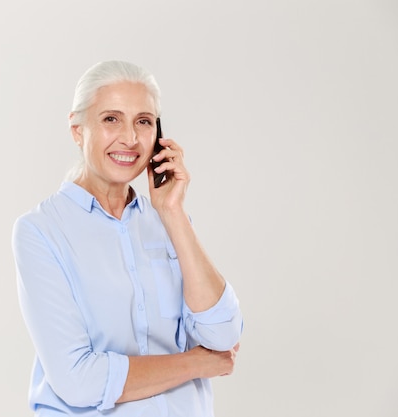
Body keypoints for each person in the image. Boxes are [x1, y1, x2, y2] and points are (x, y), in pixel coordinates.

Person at [12, 60, 243, 417]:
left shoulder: (169, 222)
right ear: (77, 129)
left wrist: (173, 213)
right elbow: (78, 380)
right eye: (111, 119)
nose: (131, 138)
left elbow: (223, 335)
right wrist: (196, 364)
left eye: (144, 122)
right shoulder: (41, 231)